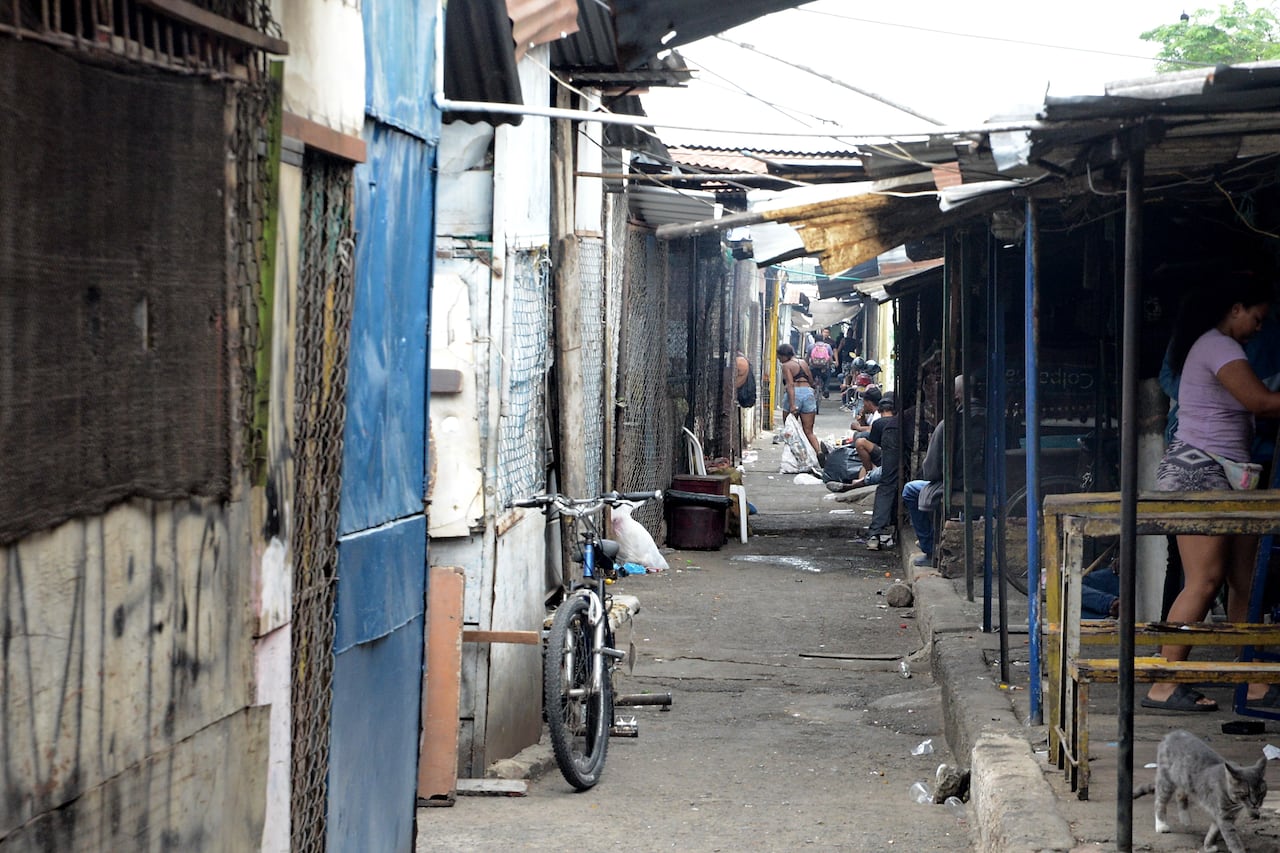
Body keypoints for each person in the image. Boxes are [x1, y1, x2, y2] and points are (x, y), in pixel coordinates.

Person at [1143, 275, 1280, 712]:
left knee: (1244, 582)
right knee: (1204, 579)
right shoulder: (1217, 345)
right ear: (1236, 308)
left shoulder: (1216, 345)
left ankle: (1250, 680)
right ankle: (1163, 683)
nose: (1259, 328)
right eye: (1257, 318)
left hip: (1227, 473)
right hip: (1198, 471)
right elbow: (1260, 402)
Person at [901, 376, 986, 566]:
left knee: (910, 490)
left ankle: (930, 548)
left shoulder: (949, 424)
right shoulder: (994, 420)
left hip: (958, 485)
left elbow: (930, 472)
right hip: (990, 484)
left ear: (957, 396)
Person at [777, 343, 821, 457]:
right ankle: (819, 452)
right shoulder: (803, 362)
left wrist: (792, 404)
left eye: (780, 357)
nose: (780, 360)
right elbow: (811, 381)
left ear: (784, 355)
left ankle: (793, 459)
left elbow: (790, 385)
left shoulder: (786, 365)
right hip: (808, 393)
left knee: (789, 431)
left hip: (794, 394)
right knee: (809, 431)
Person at [807, 330, 836, 399]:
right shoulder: (827, 346)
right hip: (824, 368)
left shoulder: (811, 346)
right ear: (823, 339)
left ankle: (811, 386)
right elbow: (830, 358)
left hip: (813, 367)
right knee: (828, 375)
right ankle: (825, 388)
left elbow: (807, 357)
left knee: (810, 376)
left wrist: (806, 364)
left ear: (814, 339)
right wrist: (832, 363)